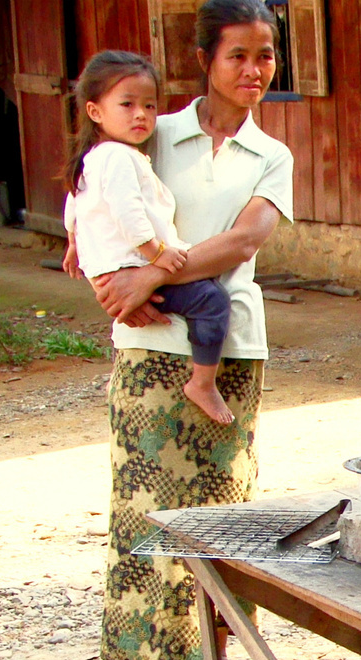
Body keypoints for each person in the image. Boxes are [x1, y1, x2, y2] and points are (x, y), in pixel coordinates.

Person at [66, 0, 293, 660]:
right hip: (149, 343)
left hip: (229, 347)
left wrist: (150, 275)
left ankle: (212, 657)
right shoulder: (148, 129)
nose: (254, 70)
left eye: (266, 55)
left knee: (223, 515)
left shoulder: (271, 155)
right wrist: (95, 260)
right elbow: (94, 190)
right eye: (238, 55)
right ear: (207, 58)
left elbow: (243, 240)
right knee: (143, 509)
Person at [63, 51, 234, 425]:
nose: (141, 114)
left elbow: (76, 201)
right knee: (212, 301)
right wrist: (156, 253)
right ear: (95, 112)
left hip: (113, 268)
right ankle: (202, 382)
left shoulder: (94, 157)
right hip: (134, 264)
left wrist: (74, 241)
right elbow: (128, 213)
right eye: (127, 105)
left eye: (150, 105)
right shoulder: (119, 158)